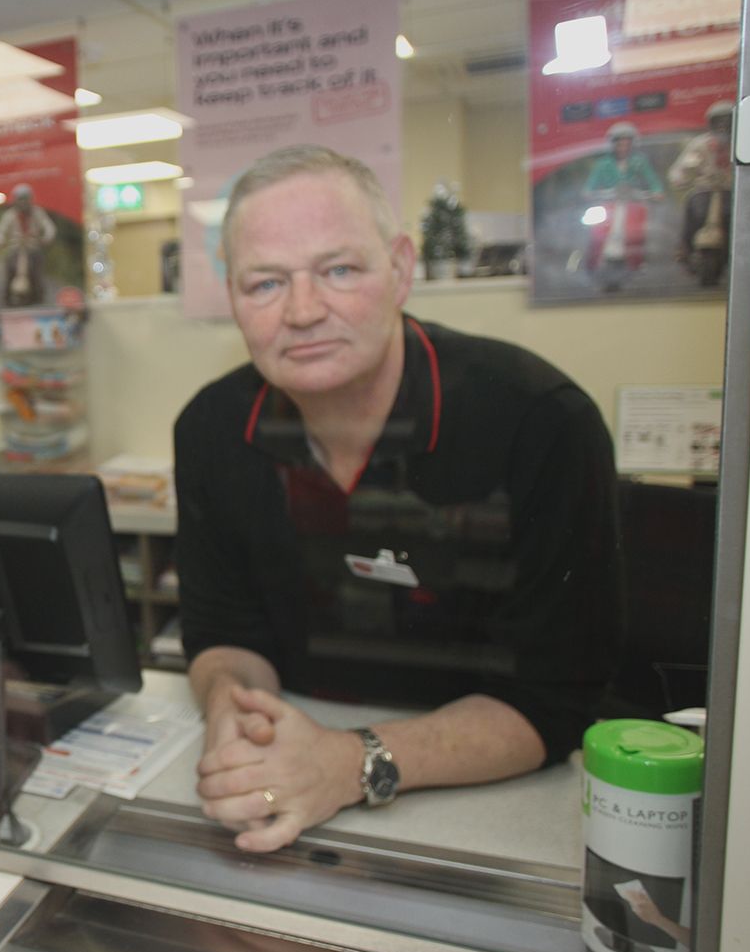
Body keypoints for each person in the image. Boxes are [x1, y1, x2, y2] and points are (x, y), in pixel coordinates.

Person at [175, 144, 620, 853]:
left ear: (401, 269)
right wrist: (232, 704)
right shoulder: (212, 429)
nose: (303, 310)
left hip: (498, 806)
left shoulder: (539, 422)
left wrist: (352, 763)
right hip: (290, 772)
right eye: (264, 283)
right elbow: (224, 630)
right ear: (231, 295)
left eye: (339, 270)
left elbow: (557, 698)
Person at [581, 121, 664, 285]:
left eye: (627, 143)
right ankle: (593, 262)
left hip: (632, 202)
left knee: (639, 231)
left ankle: (638, 262)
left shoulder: (639, 161)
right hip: (609, 204)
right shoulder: (603, 164)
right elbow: (590, 186)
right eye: (619, 143)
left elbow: (652, 180)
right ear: (612, 145)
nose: (623, 147)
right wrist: (589, 193)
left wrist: (656, 191)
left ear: (633, 144)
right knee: (596, 233)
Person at [668, 100, 735, 282]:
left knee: (734, 217)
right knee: (694, 211)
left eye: (727, 122)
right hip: (704, 190)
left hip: (731, 192)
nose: (723, 127)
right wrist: (682, 178)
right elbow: (681, 170)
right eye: (718, 122)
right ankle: (684, 249)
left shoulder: (741, 142)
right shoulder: (700, 145)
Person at [0, 182, 56, 306]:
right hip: (15, 248)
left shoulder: (38, 213)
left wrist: (47, 237)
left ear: (30, 199)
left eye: (25, 199)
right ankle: (7, 298)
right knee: (9, 269)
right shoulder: (10, 215)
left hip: (33, 248)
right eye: (20, 199)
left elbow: (49, 227)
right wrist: (0, 241)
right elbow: (0, 231)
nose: (23, 203)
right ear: (15, 200)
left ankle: (39, 296)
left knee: (37, 270)